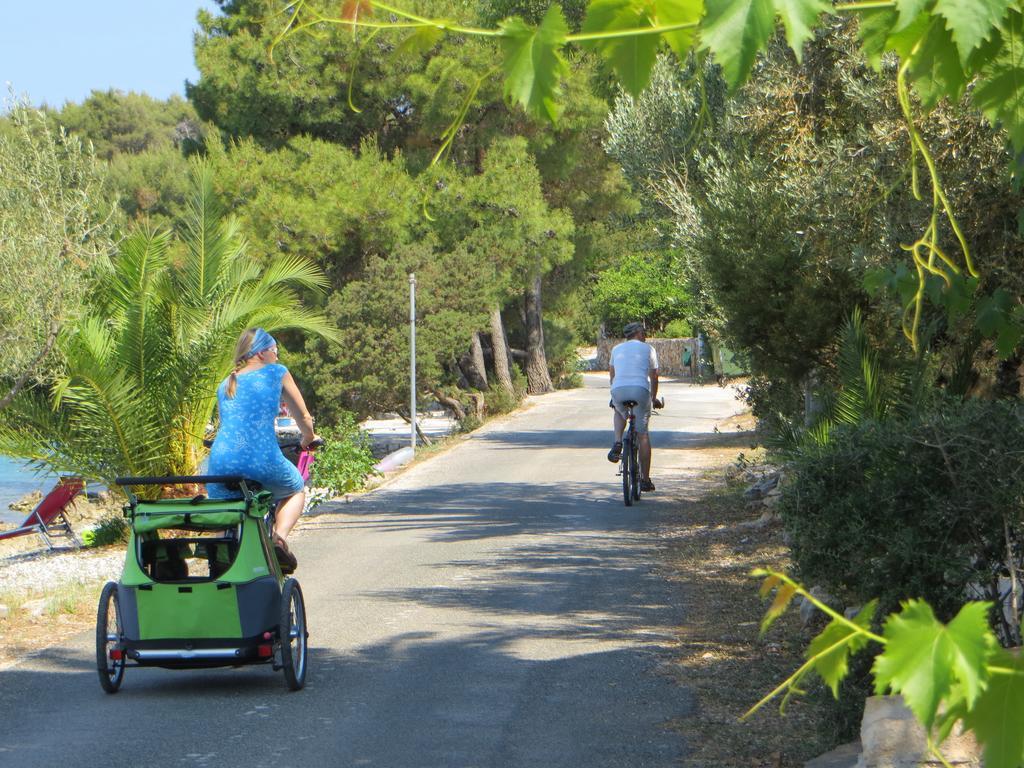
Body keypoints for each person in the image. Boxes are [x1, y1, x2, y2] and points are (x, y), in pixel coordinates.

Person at [207, 328, 320, 573]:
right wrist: (308, 437)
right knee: (295, 488)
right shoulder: (277, 373)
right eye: (275, 352)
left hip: (220, 462)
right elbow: (302, 416)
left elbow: (233, 424)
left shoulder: (226, 383)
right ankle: (278, 539)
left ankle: (219, 558)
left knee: (224, 511)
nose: (277, 358)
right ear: (262, 352)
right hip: (260, 458)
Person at [607, 321, 662, 492]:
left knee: (618, 410)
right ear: (637, 333)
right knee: (643, 435)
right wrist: (653, 399)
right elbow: (654, 377)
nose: (645, 335)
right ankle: (645, 480)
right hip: (640, 390)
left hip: (619, 389)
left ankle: (617, 442)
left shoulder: (616, 349)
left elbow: (612, 375)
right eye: (643, 332)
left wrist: (614, 395)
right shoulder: (648, 349)